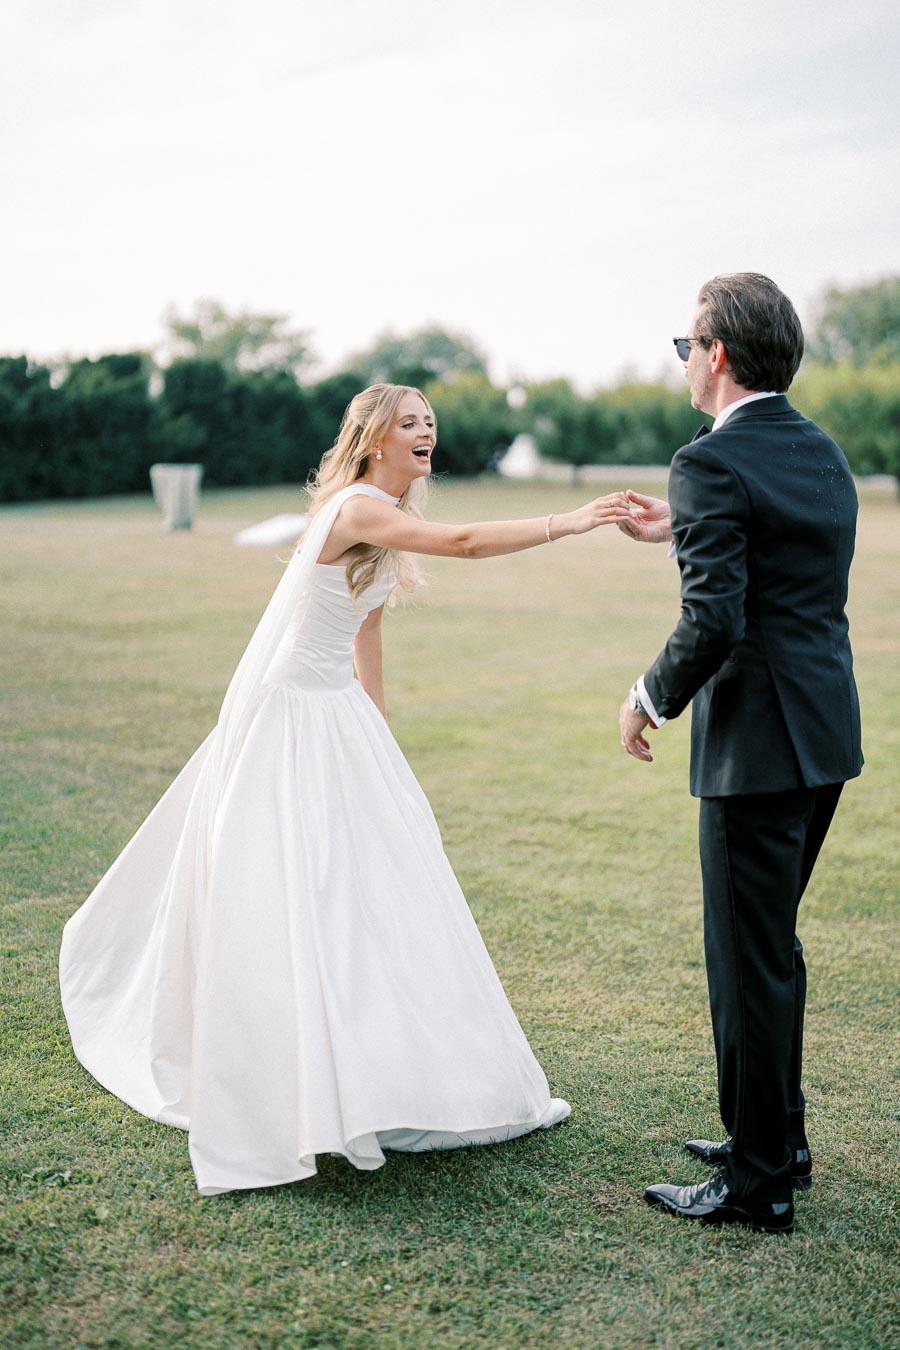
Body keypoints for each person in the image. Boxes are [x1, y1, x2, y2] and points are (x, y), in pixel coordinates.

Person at [60, 382, 631, 1197]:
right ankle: (292, 1078)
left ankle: (372, 1063)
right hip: (291, 717)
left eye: (430, 423)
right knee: (298, 889)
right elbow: (464, 542)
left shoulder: (379, 518)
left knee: (372, 890)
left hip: (338, 716)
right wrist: (569, 520)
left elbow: (368, 625)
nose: (425, 432)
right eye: (410, 422)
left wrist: (377, 731)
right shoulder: (360, 508)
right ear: (373, 439)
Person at [617, 273, 863, 1234]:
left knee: (746, 960)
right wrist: (677, 525)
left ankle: (758, 1182)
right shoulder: (821, 451)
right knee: (772, 953)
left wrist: (647, 697)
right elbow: (781, 548)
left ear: (716, 355)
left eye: (686, 346)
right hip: (823, 736)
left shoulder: (708, 461)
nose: (684, 361)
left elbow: (714, 616)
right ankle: (778, 1139)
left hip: (757, 747)